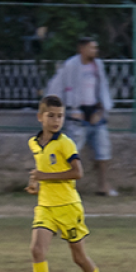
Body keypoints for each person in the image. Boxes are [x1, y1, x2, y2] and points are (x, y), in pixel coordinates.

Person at [26, 94, 114, 272]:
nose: (56, 121)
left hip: (68, 208)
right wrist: (35, 183)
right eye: (51, 116)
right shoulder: (33, 143)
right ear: (40, 117)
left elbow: (77, 173)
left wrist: (44, 177)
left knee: (79, 258)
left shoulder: (65, 143)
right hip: (45, 207)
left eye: (60, 116)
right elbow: (43, 168)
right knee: (36, 250)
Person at [45, 37, 116, 196]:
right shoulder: (71, 66)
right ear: (82, 49)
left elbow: (102, 88)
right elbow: (57, 88)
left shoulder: (97, 66)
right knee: (71, 154)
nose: (95, 51)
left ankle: (103, 185)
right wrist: (67, 109)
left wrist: (101, 110)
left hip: (96, 113)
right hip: (77, 115)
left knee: (103, 152)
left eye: (95, 48)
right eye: (92, 48)